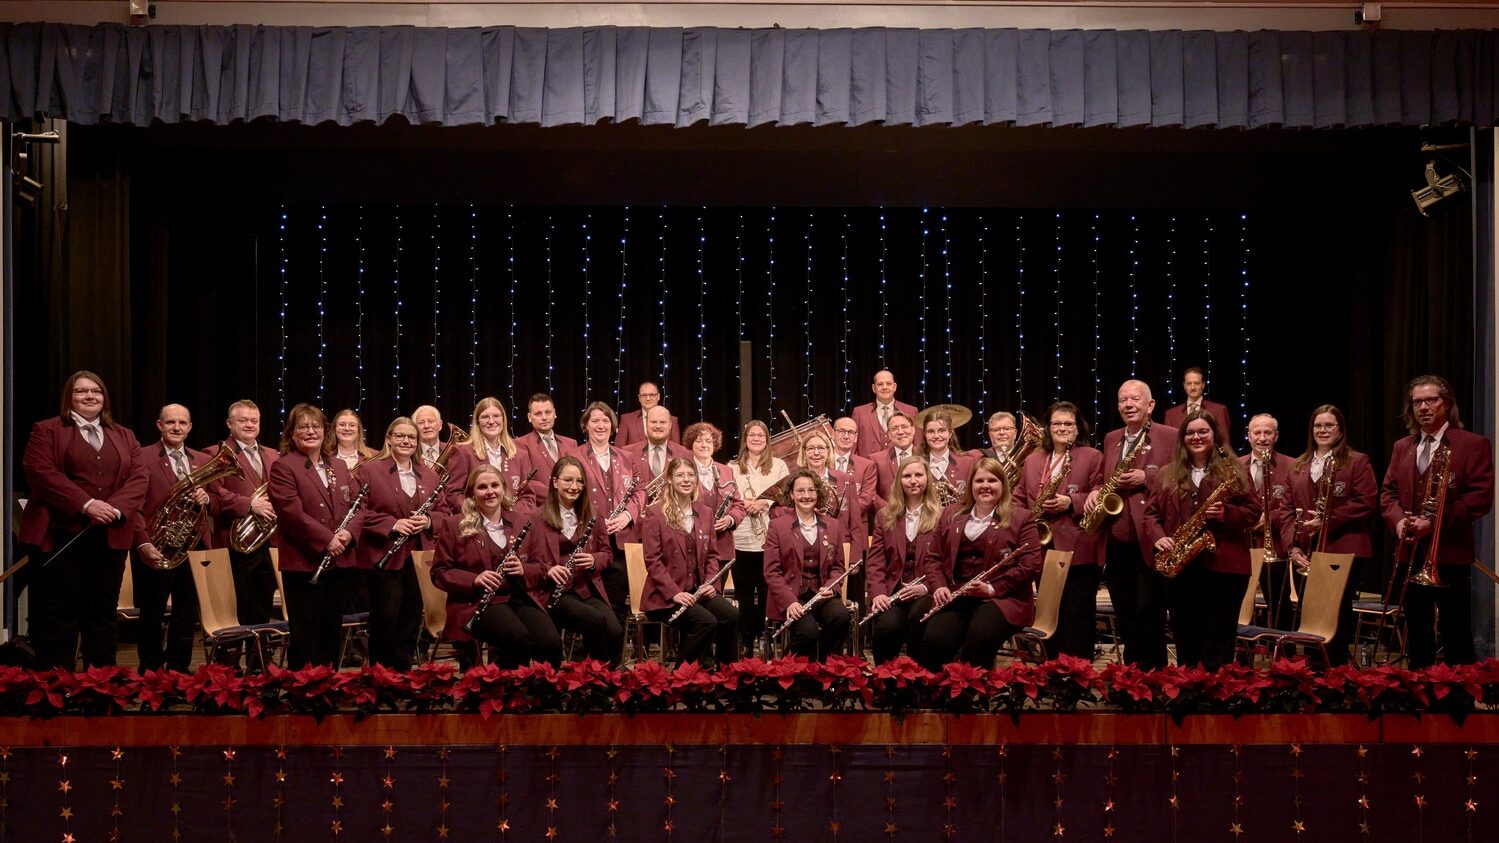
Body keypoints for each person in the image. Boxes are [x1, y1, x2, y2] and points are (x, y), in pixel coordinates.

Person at [19, 371, 150, 669]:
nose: (90, 396)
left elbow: (140, 477)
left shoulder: (124, 435)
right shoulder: (46, 430)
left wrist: (114, 509)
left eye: (96, 391)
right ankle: (55, 690)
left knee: (102, 616)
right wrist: (87, 504)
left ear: (105, 398)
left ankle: (99, 691)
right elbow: (41, 473)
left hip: (109, 538)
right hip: (59, 537)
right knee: (59, 618)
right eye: (81, 391)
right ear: (69, 397)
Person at [1379, 375, 1494, 668]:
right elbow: (1388, 493)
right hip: (1411, 551)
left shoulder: (1473, 444)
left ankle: (1459, 701)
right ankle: (1421, 695)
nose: (1424, 407)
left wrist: (1434, 522)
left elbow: (1480, 498)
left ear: (1447, 403)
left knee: (1455, 629)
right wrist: (1399, 523)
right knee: (1416, 629)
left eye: (1432, 400)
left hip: (1450, 554)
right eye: (1418, 402)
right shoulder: (1402, 446)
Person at [1144, 411, 1258, 671]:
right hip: (1182, 565)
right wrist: (1159, 538)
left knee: (1219, 632)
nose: (1196, 437)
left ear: (1215, 435)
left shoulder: (1235, 470)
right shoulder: (1166, 473)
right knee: (1185, 629)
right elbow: (1150, 514)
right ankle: (1189, 689)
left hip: (1225, 566)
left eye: (1203, 431)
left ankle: (1216, 693)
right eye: (1190, 432)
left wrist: (1227, 513)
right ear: (1182, 438)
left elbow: (1253, 512)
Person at [1085, 380, 1178, 669]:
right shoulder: (1112, 438)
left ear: (1150, 405)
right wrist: (1095, 490)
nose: (1128, 404)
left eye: (1135, 399)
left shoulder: (1171, 436)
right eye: (1123, 399)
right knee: (1125, 612)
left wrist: (1146, 479)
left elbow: (1181, 477)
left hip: (1150, 537)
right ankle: (1132, 674)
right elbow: (1103, 477)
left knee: (1148, 613)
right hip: (1115, 538)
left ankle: (1155, 675)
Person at [430, 464, 561, 668]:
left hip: (518, 598)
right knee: (517, 637)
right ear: (471, 494)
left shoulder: (523, 522)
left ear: (503, 489)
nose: (490, 491)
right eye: (482, 487)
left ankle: (541, 695)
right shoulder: (455, 524)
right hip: (476, 602)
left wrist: (522, 569)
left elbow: (542, 566)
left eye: (495, 485)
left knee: (550, 643)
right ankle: (508, 694)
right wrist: (474, 579)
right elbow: (439, 572)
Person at [919, 456, 1043, 670]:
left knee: (980, 636)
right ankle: (939, 694)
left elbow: (1030, 565)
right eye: (979, 481)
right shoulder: (950, 515)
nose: (985, 486)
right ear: (971, 486)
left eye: (992, 481)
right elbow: (933, 557)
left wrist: (992, 588)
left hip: (1001, 599)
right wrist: (938, 585)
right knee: (936, 638)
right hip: (957, 596)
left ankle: (974, 695)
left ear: (1003, 485)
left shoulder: (1021, 518)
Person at [267, 404, 366, 668]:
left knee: (331, 629)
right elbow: (291, 513)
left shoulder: (339, 465)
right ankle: (304, 689)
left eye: (316, 426)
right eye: (303, 427)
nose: (311, 432)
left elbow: (359, 504)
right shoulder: (283, 467)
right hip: (305, 564)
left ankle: (327, 685)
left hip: (340, 561)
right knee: (306, 631)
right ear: (291, 433)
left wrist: (348, 533)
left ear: (325, 431)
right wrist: (327, 540)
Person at [1278, 405, 1377, 665]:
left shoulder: (1357, 461)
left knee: (1336, 611)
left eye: (1329, 425)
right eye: (1318, 426)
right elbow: (1285, 509)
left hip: (1344, 548)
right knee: (1310, 611)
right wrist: (1292, 548)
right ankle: (1313, 668)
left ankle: (1336, 670)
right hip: (1307, 552)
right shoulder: (1298, 465)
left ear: (1340, 430)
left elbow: (1367, 502)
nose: (1322, 430)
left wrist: (1326, 521)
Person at [354, 417, 450, 670]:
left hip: (417, 557)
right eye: (400, 436)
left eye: (411, 437)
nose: (406, 441)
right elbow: (356, 513)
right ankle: (381, 675)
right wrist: (392, 524)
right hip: (382, 556)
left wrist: (428, 521)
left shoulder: (429, 475)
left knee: (410, 618)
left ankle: (404, 673)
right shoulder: (369, 470)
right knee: (386, 617)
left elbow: (444, 514)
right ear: (388, 438)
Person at [1012, 401, 1105, 660]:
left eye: (1068, 424)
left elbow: (1101, 490)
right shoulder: (1032, 461)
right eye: (1056, 424)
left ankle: (1077, 675)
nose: (1062, 428)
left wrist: (1071, 502)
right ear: (1048, 429)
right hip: (1043, 548)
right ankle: (1050, 673)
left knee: (1077, 616)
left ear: (1077, 430)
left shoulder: (1092, 456)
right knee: (1048, 615)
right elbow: (1020, 497)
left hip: (1079, 548)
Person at [128, 403, 216, 673]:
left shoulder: (201, 460)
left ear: (189, 427)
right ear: (159, 426)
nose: (176, 428)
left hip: (191, 547)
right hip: (156, 546)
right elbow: (134, 504)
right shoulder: (141, 457)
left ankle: (179, 667)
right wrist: (143, 541)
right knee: (152, 613)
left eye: (182, 423)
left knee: (186, 613)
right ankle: (151, 668)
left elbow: (220, 500)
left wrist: (207, 498)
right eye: (170, 423)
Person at [523, 456, 624, 664]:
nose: (574, 486)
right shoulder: (536, 518)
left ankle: (607, 678)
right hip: (552, 592)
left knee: (614, 631)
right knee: (595, 621)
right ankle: (596, 682)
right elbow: (524, 563)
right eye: (568, 480)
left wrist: (594, 559)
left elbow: (607, 553)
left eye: (579, 481)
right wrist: (548, 570)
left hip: (585, 588)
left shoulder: (592, 516)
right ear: (555, 482)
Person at [640, 458, 740, 665]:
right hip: (665, 597)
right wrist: (675, 593)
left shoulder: (705, 513)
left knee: (731, 615)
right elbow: (653, 561)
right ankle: (682, 680)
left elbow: (712, 555)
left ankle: (726, 679)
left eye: (690, 475)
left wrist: (712, 583)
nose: (686, 480)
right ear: (669, 479)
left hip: (697, 591)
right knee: (705, 622)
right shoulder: (655, 513)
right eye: (680, 475)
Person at [209, 399, 280, 666]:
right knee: (233, 606)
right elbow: (213, 493)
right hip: (232, 543)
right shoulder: (214, 453)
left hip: (268, 542)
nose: (249, 425)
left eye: (254, 420)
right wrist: (249, 503)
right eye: (243, 420)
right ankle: (226, 668)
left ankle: (259, 662)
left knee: (261, 605)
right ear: (230, 424)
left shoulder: (274, 455)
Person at [575, 401, 648, 639]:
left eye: (605, 420)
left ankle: (614, 663)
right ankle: (587, 663)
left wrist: (627, 515)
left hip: (620, 541)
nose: (600, 425)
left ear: (613, 426)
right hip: (588, 541)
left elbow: (640, 491)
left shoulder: (626, 457)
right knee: (588, 602)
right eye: (595, 420)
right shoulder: (574, 456)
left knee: (617, 604)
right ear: (586, 425)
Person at [763, 469, 851, 660]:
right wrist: (790, 601)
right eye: (800, 491)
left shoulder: (833, 525)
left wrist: (831, 587)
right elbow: (771, 572)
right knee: (808, 632)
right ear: (792, 495)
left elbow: (838, 567)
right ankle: (797, 673)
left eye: (811, 490)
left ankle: (826, 666)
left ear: (817, 493)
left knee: (841, 617)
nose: (806, 496)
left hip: (821, 595)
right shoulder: (777, 526)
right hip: (791, 596)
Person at [866, 456, 940, 663]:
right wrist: (878, 594)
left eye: (919, 475)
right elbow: (876, 561)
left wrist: (925, 587)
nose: (913, 480)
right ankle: (886, 684)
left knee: (917, 620)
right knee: (887, 627)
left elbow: (945, 563)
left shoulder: (943, 516)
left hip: (927, 592)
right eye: (907, 476)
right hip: (893, 592)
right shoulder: (884, 516)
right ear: (899, 481)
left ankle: (918, 683)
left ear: (928, 479)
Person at [729, 420, 789, 656]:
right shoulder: (732, 466)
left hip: (769, 538)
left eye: (761, 435)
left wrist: (765, 502)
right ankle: (745, 642)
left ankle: (766, 639)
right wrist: (744, 504)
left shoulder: (779, 465)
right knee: (743, 594)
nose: (756, 439)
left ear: (767, 440)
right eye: (751, 435)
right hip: (741, 538)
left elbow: (786, 495)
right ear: (745, 439)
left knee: (767, 593)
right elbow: (726, 496)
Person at [1241, 413, 1297, 629]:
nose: (1262, 437)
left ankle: (1285, 655)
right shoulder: (1236, 465)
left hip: (1276, 546)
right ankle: (1244, 657)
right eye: (1257, 432)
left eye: (1267, 432)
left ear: (1276, 436)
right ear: (1248, 436)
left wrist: (1269, 517)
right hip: (1244, 546)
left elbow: (1295, 505)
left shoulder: (1292, 466)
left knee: (1280, 604)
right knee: (1242, 603)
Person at [444, 397, 539, 513]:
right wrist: (481, 512)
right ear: (478, 422)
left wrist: (510, 514)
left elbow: (528, 498)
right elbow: (453, 494)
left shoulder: (520, 455)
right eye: (485, 417)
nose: (491, 421)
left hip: (512, 524)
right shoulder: (463, 452)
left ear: (503, 420)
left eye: (496, 416)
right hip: (477, 524)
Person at [683, 422, 745, 569]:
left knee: (716, 592)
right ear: (691, 444)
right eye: (698, 440)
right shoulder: (682, 469)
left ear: (715, 444)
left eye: (708, 441)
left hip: (721, 547)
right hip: (691, 546)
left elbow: (738, 504)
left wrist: (730, 519)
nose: (704, 445)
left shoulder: (726, 471)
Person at [515, 392, 577, 491]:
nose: (544, 417)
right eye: (538, 414)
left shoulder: (571, 444)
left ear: (555, 413)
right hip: (540, 504)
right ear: (529, 417)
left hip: (569, 504)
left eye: (548, 412)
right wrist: (555, 496)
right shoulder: (519, 444)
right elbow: (525, 481)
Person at [852, 370, 919, 457]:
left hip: (901, 467)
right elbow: (853, 446)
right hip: (867, 467)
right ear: (873, 388)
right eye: (880, 384)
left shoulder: (911, 411)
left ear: (894, 387)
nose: (885, 387)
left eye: (888, 383)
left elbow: (918, 444)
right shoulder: (859, 412)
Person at [918, 410, 974, 504]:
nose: (936, 436)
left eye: (942, 430)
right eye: (931, 431)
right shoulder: (917, 465)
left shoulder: (968, 463)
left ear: (950, 433)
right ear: (925, 435)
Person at [1163, 367, 1232, 441]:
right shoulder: (1171, 414)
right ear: (1184, 386)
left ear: (1203, 385)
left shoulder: (1218, 411)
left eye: (1196, 383)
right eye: (1189, 384)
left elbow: (1225, 443)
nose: (1193, 387)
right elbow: (1168, 444)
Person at [829, 416, 878, 516]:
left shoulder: (867, 465)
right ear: (833, 434)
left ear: (855, 438)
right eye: (841, 431)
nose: (846, 436)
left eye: (851, 432)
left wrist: (842, 515)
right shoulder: (823, 462)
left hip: (855, 524)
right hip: (827, 524)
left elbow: (866, 498)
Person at [871, 411, 919, 509]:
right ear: (889, 434)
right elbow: (871, 493)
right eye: (894, 428)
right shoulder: (876, 459)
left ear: (913, 430)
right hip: (889, 518)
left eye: (904, 426)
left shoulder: (925, 456)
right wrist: (890, 511)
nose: (900, 432)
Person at [616, 380, 681, 447]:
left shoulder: (672, 420)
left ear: (658, 396)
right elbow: (619, 450)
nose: (648, 398)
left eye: (652, 395)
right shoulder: (627, 420)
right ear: (639, 398)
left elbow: (676, 450)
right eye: (644, 395)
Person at [412, 405, 447, 469]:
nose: (426, 426)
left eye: (431, 421)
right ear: (415, 428)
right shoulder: (410, 453)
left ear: (440, 425)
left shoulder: (452, 451)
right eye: (421, 422)